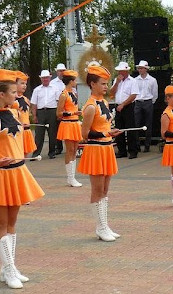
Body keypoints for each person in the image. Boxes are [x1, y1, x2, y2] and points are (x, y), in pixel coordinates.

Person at [0, 69, 45, 289]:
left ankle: (9, 266)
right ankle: (8, 269)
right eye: (13, 92)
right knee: (0, 223)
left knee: (12, 223)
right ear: (1, 94)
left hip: (17, 172)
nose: (17, 95)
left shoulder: (15, 113)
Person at [77, 63, 123, 242]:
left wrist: (111, 132)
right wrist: (105, 134)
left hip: (107, 148)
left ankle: (104, 225)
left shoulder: (103, 102)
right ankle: (100, 227)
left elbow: (104, 126)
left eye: (106, 83)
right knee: (97, 189)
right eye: (102, 84)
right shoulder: (90, 106)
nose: (106, 87)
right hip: (96, 150)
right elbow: (84, 134)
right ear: (92, 84)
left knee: (105, 189)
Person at [56, 70, 83, 187]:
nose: (76, 82)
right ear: (70, 81)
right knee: (70, 150)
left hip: (75, 123)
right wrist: (73, 113)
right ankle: (70, 177)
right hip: (68, 124)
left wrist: (78, 113)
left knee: (75, 150)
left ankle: (73, 176)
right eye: (75, 80)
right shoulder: (64, 95)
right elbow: (59, 113)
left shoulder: (74, 93)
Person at [110, 61, 139, 159]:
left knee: (130, 129)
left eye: (121, 71)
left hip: (128, 106)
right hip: (118, 106)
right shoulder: (116, 80)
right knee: (119, 128)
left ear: (126, 71)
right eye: (119, 71)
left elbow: (133, 95)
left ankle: (133, 150)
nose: (120, 73)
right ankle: (122, 150)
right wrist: (117, 83)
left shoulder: (133, 81)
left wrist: (123, 104)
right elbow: (112, 93)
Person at [30, 69, 61, 159]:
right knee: (39, 133)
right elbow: (34, 104)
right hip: (41, 112)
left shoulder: (55, 88)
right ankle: (36, 154)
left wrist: (58, 113)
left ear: (49, 78)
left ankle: (52, 152)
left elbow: (59, 101)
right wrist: (34, 115)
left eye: (47, 78)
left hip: (52, 111)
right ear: (41, 79)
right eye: (43, 78)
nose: (45, 79)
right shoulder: (37, 90)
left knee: (52, 133)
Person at [134, 60, 158, 153]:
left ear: (146, 69)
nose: (140, 70)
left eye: (141, 68)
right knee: (136, 124)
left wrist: (151, 101)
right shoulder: (135, 80)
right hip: (138, 102)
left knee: (148, 124)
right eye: (139, 68)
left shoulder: (152, 80)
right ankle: (137, 145)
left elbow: (154, 93)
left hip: (148, 101)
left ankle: (147, 145)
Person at [13, 72, 36, 158]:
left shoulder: (25, 99)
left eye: (25, 84)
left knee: (24, 156)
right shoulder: (11, 100)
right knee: (17, 157)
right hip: (17, 131)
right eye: (22, 83)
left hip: (26, 131)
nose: (24, 86)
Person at [50, 63, 68, 156]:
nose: (62, 72)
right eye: (60, 71)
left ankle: (68, 145)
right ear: (57, 72)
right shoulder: (52, 83)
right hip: (58, 105)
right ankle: (59, 147)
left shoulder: (68, 81)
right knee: (57, 128)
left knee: (68, 127)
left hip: (68, 106)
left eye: (63, 71)